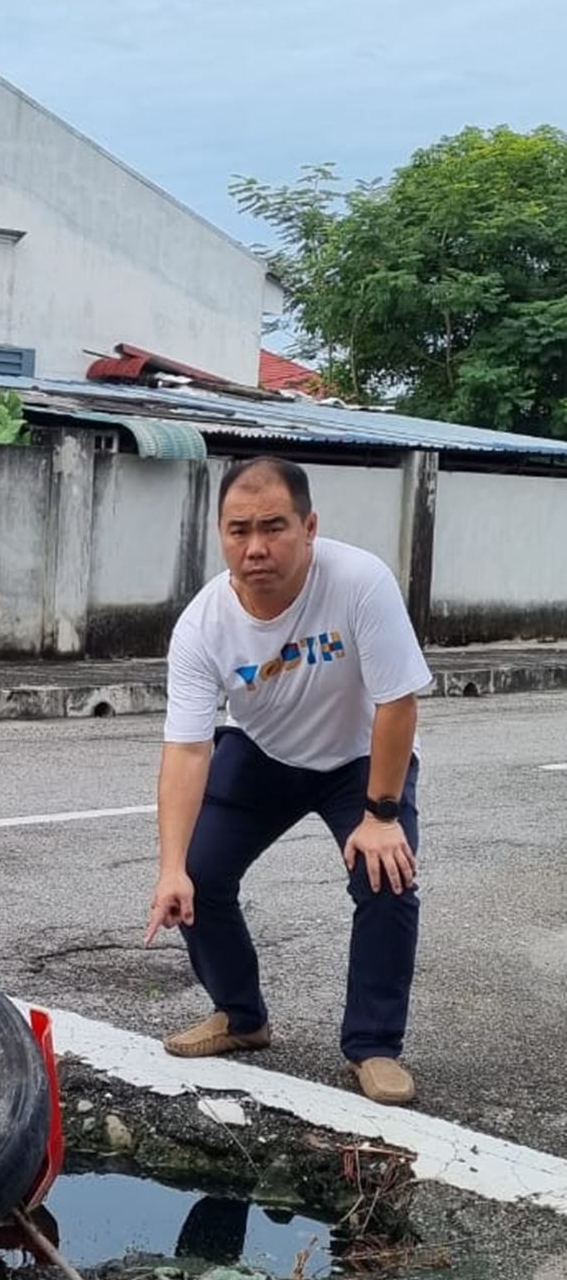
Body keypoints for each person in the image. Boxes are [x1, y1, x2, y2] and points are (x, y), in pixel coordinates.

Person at [145, 456, 433, 1105]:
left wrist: (381, 815)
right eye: (238, 530)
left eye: (273, 527)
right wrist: (170, 868)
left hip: (361, 758)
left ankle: (374, 1046)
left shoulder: (359, 580)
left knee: (386, 878)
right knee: (198, 876)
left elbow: (397, 701)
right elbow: (186, 749)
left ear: (309, 528)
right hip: (265, 752)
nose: (255, 547)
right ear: (220, 534)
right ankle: (241, 1017)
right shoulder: (201, 625)